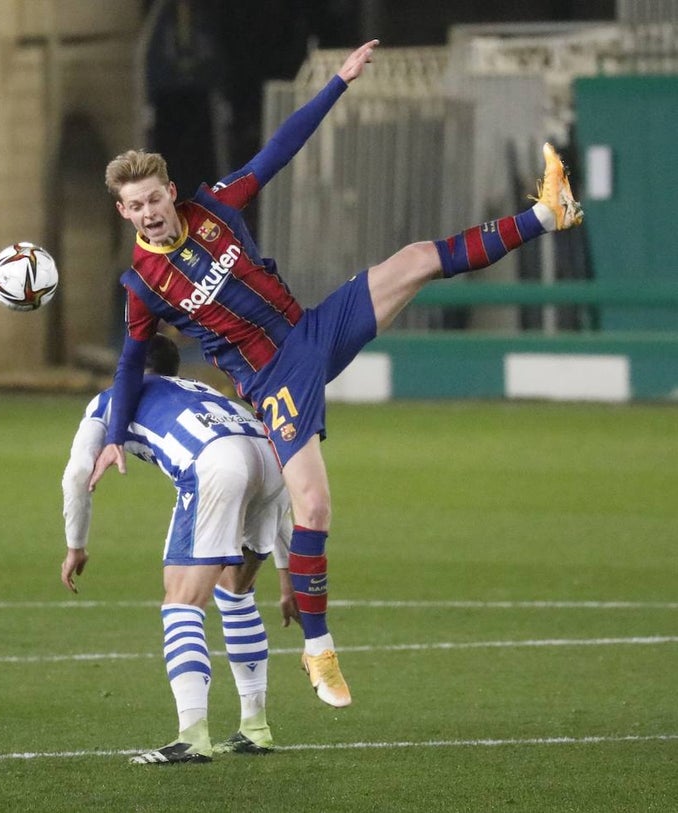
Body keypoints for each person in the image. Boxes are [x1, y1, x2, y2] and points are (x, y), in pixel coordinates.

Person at [89, 39, 584, 709]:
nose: (149, 210)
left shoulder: (217, 206)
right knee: (315, 506)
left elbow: (279, 150)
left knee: (415, 259)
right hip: (273, 381)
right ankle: (319, 651)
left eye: (154, 197)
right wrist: (115, 433)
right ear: (124, 212)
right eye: (135, 205)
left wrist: (342, 82)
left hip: (312, 331)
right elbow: (128, 359)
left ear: (170, 191)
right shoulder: (143, 286)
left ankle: (548, 213)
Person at [62, 333, 293, 764]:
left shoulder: (111, 399)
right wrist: (288, 574)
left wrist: (76, 545)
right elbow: (274, 481)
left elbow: (78, 473)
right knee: (235, 591)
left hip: (215, 465)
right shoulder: (203, 389)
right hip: (271, 456)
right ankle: (254, 728)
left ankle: (191, 736)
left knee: (182, 601)